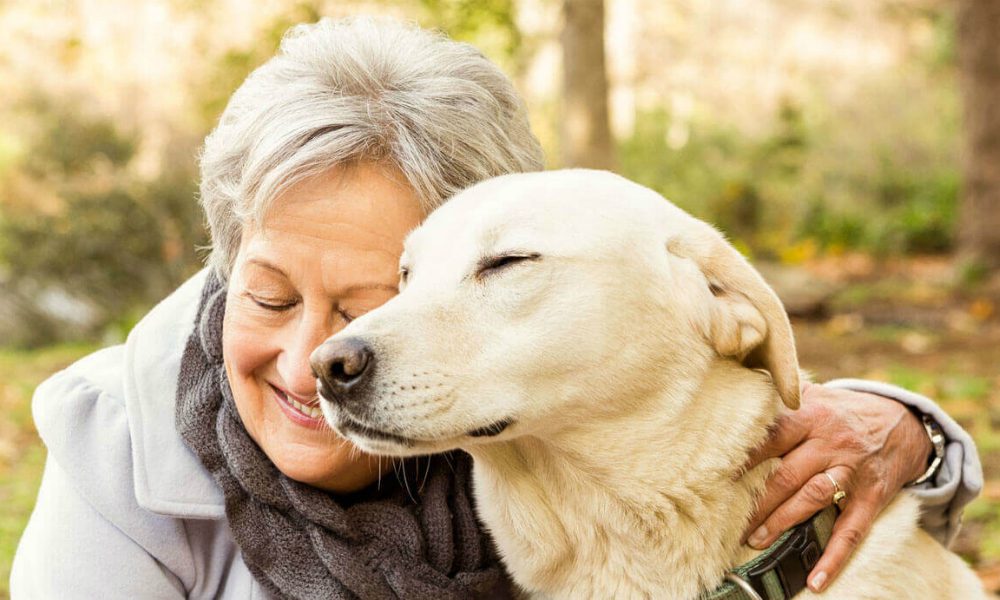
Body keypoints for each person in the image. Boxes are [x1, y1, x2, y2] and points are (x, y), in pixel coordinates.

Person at [10, 16, 982, 599]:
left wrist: (912, 431)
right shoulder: (124, 433)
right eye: (266, 295)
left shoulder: (532, 418)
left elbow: (658, 344)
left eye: (375, 297)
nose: (321, 354)